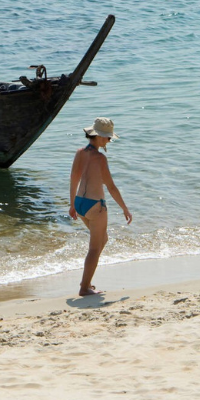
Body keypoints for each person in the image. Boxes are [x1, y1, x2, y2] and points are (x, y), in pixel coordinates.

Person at [69, 117, 132, 296]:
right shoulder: (100, 158)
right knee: (95, 248)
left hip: (80, 203)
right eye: (108, 137)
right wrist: (125, 209)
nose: (109, 141)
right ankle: (84, 287)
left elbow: (74, 179)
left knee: (102, 240)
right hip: (96, 206)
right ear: (99, 137)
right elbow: (111, 186)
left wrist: (72, 203)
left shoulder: (79, 152)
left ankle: (86, 282)